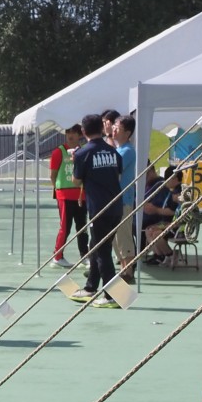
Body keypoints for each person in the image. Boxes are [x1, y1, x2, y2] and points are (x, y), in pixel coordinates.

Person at [71, 113, 124, 306]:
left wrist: (75, 162)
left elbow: (76, 181)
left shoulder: (82, 154)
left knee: (102, 250)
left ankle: (113, 296)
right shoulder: (113, 152)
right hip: (116, 206)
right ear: (102, 129)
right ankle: (91, 287)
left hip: (99, 209)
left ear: (83, 132)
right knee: (97, 246)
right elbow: (117, 177)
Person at [50, 123, 87, 266]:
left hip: (80, 195)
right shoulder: (58, 152)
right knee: (65, 226)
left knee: (82, 226)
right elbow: (53, 175)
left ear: (80, 135)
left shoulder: (83, 152)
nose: (70, 135)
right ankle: (58, 256)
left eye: (74, 132)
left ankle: (85, 255)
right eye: (68, 132)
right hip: (64, 196)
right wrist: (58, 190)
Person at [112, 114, 139, 282]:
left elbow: (114, 170)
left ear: (127, 133)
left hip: (124, 200)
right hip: (117, 199)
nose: (114, 130)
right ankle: (124, 268)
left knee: (123, 236)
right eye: (114, 126)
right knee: (116, 237)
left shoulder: (127, 151)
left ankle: (128, 270)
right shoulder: (119, 149)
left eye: (118, 128)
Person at [140, 164, 182, 263]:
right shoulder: (172, 191)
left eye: (168, 179)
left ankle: (170, 254)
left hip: (176, 225)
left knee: (156, 233)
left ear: (174, 178)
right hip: (168, 223)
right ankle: (159, 255)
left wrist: (155, 210)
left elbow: (172, 212)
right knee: (149, 230)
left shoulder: (178, 192)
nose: (166, 181)